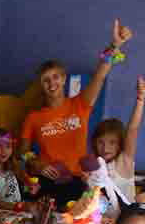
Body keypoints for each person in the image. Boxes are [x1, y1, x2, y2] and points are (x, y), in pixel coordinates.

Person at [20, 19, 134, 205]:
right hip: (46, 182)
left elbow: (100, 75)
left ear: (64, 79)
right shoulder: (34, 117)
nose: (52, 83)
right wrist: (38, 164)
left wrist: (115, 45)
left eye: (55, 77)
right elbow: (22, 153)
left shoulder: (80, 104)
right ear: (40, 85)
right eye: (45, 80)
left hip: (77, 181)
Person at [92, 76, 145, 215]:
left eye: (112, 143)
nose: (105, 148)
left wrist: (140, 99)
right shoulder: (95, 166)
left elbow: (132, 129)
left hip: (125, 223)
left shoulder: (124, 160)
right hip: (102, 222)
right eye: (101, 142)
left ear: (121, 144)